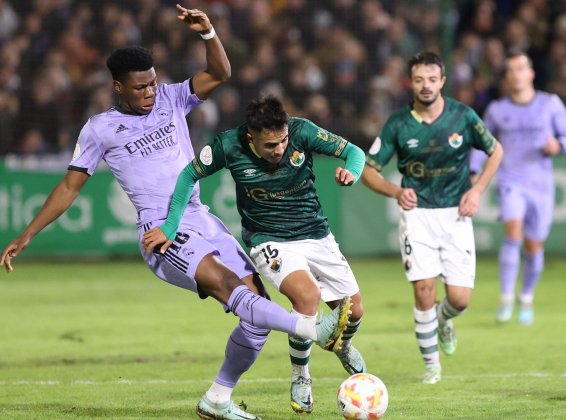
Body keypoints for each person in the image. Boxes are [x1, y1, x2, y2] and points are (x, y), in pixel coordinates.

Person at [0, 5, 351, 420]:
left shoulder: (171, 98)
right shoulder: (100, 129)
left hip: (200, 218)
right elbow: (70, 185)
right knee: (226, 286)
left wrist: (208, 34)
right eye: (139, 88)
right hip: (161, 232)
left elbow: (219, 74)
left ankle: (217, 399)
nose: (149, 93)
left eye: (152, 84)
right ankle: (311, 329)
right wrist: (29, 233)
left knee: (256, 313)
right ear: (117, 87)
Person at [143, 95, 367, 414]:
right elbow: (187, 176)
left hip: (316, 234)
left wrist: (352, 171)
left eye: (283, 142)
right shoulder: (227, 145)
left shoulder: (303, 131)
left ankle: (342, 345)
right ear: (251, 137)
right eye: (270, 145)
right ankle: (301, 377)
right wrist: (170, 225)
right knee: (307, 297)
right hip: (268, 240)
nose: (279, 150)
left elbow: (353, 152)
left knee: (354, 311)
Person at [360, 51, 503, 384]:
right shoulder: (398, 123)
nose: (425, 86)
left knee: (459, 299)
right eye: (419, 79)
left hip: (455, 215)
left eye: (432, 79)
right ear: (410, 82)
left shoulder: (462, 117)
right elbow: (369, 172)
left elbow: (496, 151)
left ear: (443, 82)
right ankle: (431, 367)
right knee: (424, 290)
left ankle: (445, 319)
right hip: (417, 216)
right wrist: (396, 192)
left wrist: (477, 190)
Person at [470, 52, 566, 325]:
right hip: (511, 180)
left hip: (542, 185)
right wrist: (474, 170)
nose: (516, 74)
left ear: (531, 73)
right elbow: (483, 142)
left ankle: (525, 297)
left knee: (534, 246)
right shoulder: (497, 110)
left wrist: (557, 146)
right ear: (507, 77)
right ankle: (505, 298)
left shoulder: (550, 104)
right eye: (511, 70)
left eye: (521, 68)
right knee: (513, 232)